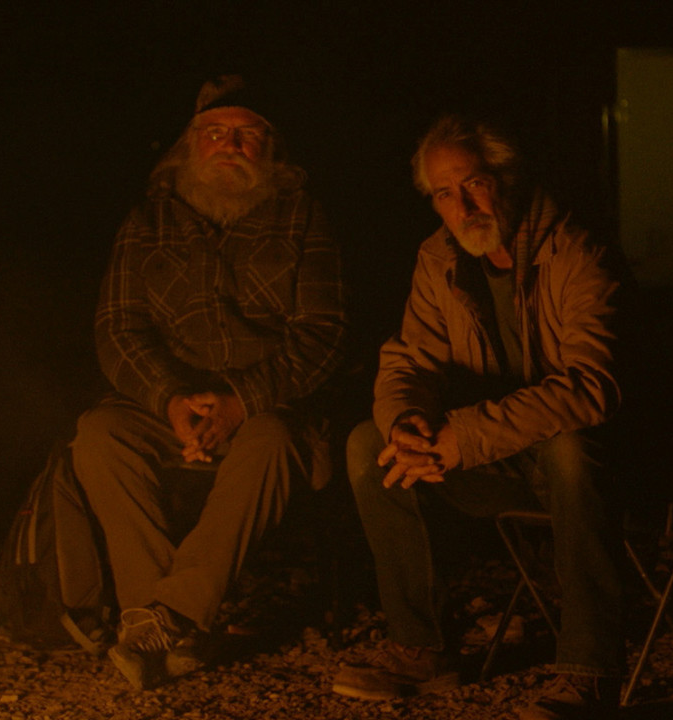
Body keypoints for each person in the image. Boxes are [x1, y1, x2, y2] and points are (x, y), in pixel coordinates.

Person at [335, 115, 629, 719]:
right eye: (444, 193)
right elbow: (409, 360)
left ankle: (590, 672)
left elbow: (591, 386)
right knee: (370, 446)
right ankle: (421, 649)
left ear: (505, 177)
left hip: (599, 466)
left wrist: (463, 438)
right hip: (502, 460)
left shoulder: (576, 248)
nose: (462, 206)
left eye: (473, 183)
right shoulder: (439, 259)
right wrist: (407, 424)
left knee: (571, 448)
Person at [71, 76, 349, 690]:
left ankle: (163, 620)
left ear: (270, 147)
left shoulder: (303, 217)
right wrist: (170, 399)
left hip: (267, 407)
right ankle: (166, 626)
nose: (230, 145)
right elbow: (117, 328)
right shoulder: (147, 222)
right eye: (215, 132)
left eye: (246, 135)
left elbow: (324, 334)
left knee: (273, 441)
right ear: (190, 144)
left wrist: (239, 401)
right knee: (100, 432)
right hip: (173, 404)